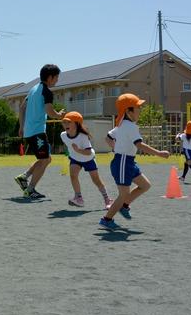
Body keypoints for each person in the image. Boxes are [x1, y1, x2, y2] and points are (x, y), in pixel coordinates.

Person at [99, 94, 170, 230]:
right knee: (123, 194)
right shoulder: (129, 126)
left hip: (128, 161)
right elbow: (140, 145)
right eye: (137, 107)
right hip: (122, 162)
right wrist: (159, 153)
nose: (140, 109)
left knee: (145, 185)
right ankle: (107, 219)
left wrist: (117, 147)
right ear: (128, 111)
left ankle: (124, 206)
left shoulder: (123, 125)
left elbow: (108, 138)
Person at [14, 64, 65, 199]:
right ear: (50, 77)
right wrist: (59, 115)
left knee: (46, 159)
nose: (57, 80)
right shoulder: (46, 91)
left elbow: (21, 107)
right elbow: (49, 111)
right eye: (56, 77)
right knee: (45, 160)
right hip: (37, 132)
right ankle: (30, 189)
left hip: (30, 131)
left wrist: (21, 127)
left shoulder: (33, 89)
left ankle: (23, 177)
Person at [59, 111, 112, 208]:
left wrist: (78, 150)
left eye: (69, 122)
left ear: (77, 124)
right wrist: (73, 153)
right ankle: (79, 198)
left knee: (96, 180)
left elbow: (88, 152)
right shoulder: (63, 135)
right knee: (73, 175)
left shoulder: (82, 136)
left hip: (88, 158)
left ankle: (107, 200)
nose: (65, 124)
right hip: (75, 159)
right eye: (64, 122)